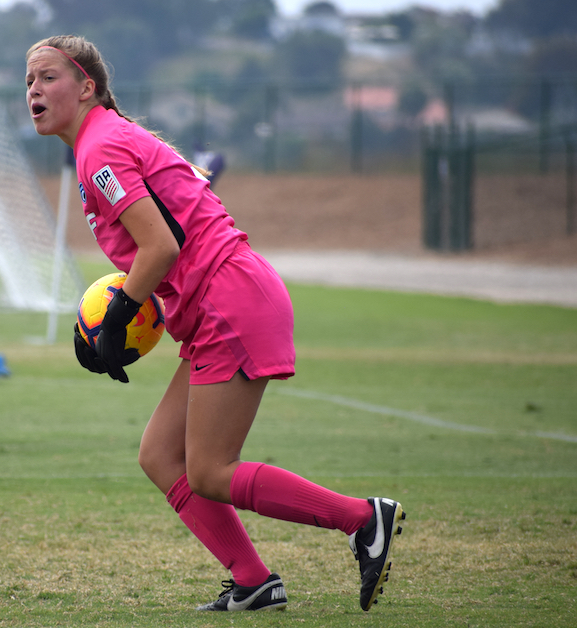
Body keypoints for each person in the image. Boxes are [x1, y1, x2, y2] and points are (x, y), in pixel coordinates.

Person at [25, 35, 406, 613]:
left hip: (233, 300)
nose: (34, 90)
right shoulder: (103, 143)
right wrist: (123, 316)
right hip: (223, 304)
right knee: (160, 455)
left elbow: (161, 247)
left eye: (48, 76)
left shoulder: (100, 146)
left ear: (87, 87)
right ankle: (255, 582)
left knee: (208, 470)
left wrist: (119, 315)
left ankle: (362, 519)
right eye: (28, 80)